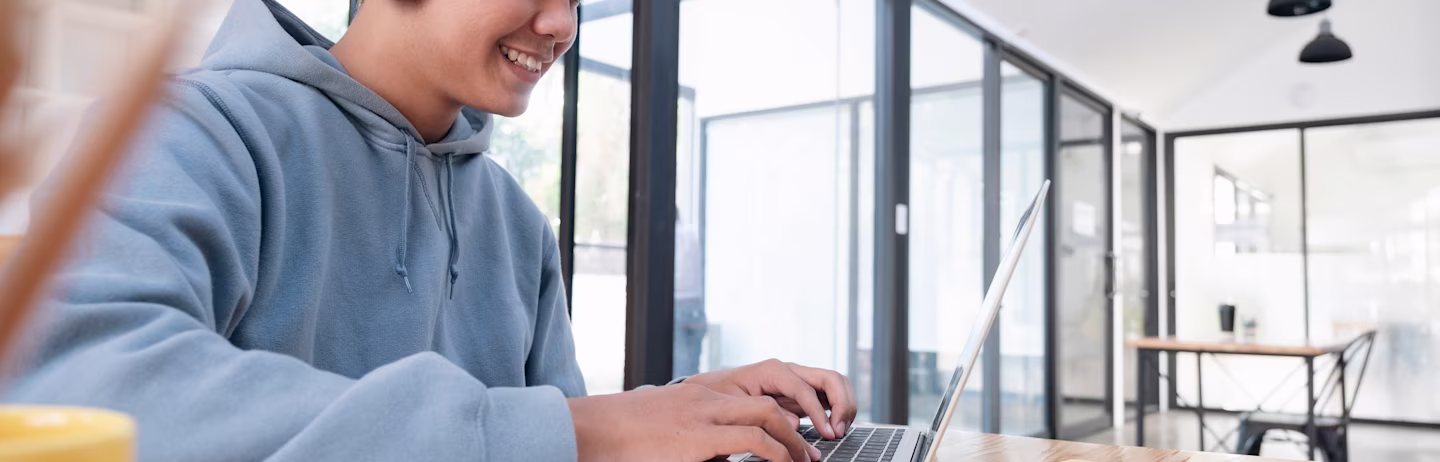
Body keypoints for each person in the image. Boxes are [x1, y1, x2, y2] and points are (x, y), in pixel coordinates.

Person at [8, 0, 856, 461]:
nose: (562, 23)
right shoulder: (192, 130)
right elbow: (79, 389)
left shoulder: (516, 223)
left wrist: (693, 417)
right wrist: (571, 432)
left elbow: (552, 440)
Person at [673, 210, 705, 377]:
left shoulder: (669, 237)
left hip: (678, 305)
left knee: (680, 371)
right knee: (693, 371)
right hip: (697, 307)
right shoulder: (691, 234)